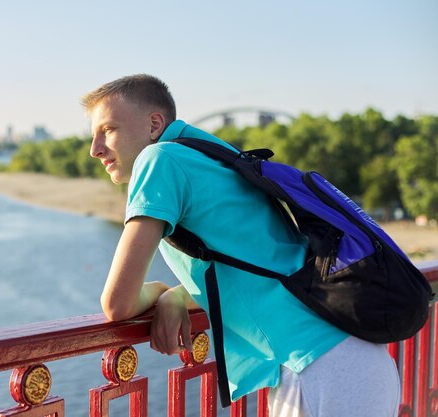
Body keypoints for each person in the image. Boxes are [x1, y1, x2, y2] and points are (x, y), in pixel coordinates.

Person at [81, 74, 400, 416]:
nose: (94, 149)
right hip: (345, 360)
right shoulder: (210, 151)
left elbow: (117, 304)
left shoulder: (158, 160)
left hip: (320, 371)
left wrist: (157, 289)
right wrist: (178, 294)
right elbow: (254, 261)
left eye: (108, 130)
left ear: (155, 123)